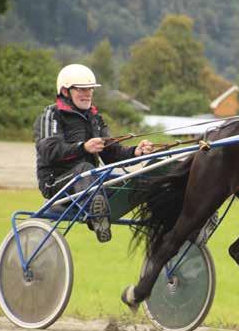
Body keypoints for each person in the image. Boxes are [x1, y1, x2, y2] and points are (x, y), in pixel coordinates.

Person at [34, 64, 154, 243]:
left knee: (136, 180)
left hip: (90, 180)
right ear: (65, 92)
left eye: (90, 89)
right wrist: (83, 148)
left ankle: (165, 220)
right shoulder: (52, 114)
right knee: (85, 169)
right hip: (56, 183)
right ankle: (96, 217)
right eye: (81, 89)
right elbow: (49, 150)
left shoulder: (95, 118)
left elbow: (112, 154)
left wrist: (135, 151)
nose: (87, 93)